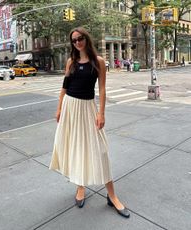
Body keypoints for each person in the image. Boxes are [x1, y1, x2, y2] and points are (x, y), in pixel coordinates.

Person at [49, 27, 130, 218]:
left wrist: (101, 113)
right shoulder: (71, 62)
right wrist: (59, 108)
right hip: (70, 107)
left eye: (80, 38)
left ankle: (112, 196)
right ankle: (80, 187)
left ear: (86, 39)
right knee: (77, 148)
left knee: (101, 151)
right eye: (74, 40)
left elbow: (102, 90)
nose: (77, 42)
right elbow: (65, 87)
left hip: (88, 108)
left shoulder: (99, 62)